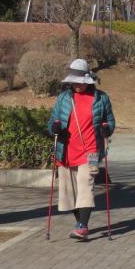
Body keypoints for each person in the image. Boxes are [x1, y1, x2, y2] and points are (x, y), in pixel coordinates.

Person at [46, 59, 115, 241]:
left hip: (91, 151)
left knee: (86, 186)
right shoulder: (64, 98)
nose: (77, 85)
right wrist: (54, 127)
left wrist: (106, 128)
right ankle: (80, 223)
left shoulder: (101, 98)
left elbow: (110, 120)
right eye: (74, 82)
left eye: (80, 82)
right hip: (66, 151)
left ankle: (83, 226)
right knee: (71, 192)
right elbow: (52, 120)